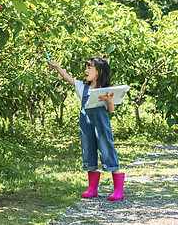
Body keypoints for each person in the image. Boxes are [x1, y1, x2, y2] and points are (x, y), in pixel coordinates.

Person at [48, 55, 125, 201]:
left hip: (102, 126)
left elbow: (111, 110)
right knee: (88, 151)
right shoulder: (82, 87)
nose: (86, 70)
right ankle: (92, 189)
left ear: (99, 72)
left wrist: (109, 101)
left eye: (90, 67)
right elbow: (67, 77)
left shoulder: (104, 90)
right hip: (86, 126)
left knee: (107, 151)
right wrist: (57, 67)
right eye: (86, 67)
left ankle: (118, 190)